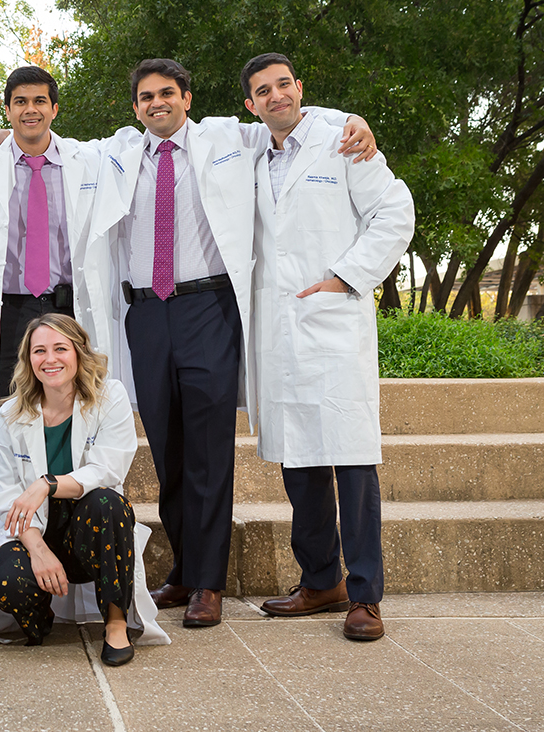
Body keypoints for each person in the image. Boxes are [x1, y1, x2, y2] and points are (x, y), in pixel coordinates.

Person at [89, 58, 377, 628]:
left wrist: (351, 118)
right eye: (146, 97)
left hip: (207, 309)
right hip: (144, 313)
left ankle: (210, 585)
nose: (157, 104)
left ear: (187, 97)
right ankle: (184, 570)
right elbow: (54, 144)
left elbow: (287, 118)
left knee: (208, 451)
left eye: (167, 93)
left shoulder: (228, 137)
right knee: (167, 450)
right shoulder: (118, 152)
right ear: (135, 107)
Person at [239, 53, 414, 640]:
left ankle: (365, 596)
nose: (276, 96)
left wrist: (347, 275)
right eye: (263, 91)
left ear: (299, 89)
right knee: (299, 461)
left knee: (353, 461)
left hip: (334, 322)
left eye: (284, 85)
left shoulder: (341, 137)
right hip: (280, 329)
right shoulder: (249, 152)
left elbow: (394, 213)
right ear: (251, 104)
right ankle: (320, 580)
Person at [0, 66, 128, 612]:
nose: (30, 110)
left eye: (40, 101)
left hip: (66, 305)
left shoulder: (85, 160)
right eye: (20, 102)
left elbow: (139, 140)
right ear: (7, 111)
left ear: (54, 109)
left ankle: (76, 545)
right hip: (5, 313)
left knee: (76, 414)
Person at [0, 313, 168, 665]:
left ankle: (116, 623)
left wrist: (47, 485)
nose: (50, 360)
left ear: (78, 352)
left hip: (90, 531)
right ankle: (39, 618)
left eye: (60, 348)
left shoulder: (110, 395)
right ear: (28, 359)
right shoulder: (11, 414)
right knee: (6, 579)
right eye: (39, 351)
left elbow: (110, 467)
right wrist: (37, 549)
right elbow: (4, 494)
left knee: (108, 502)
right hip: (30, 529)